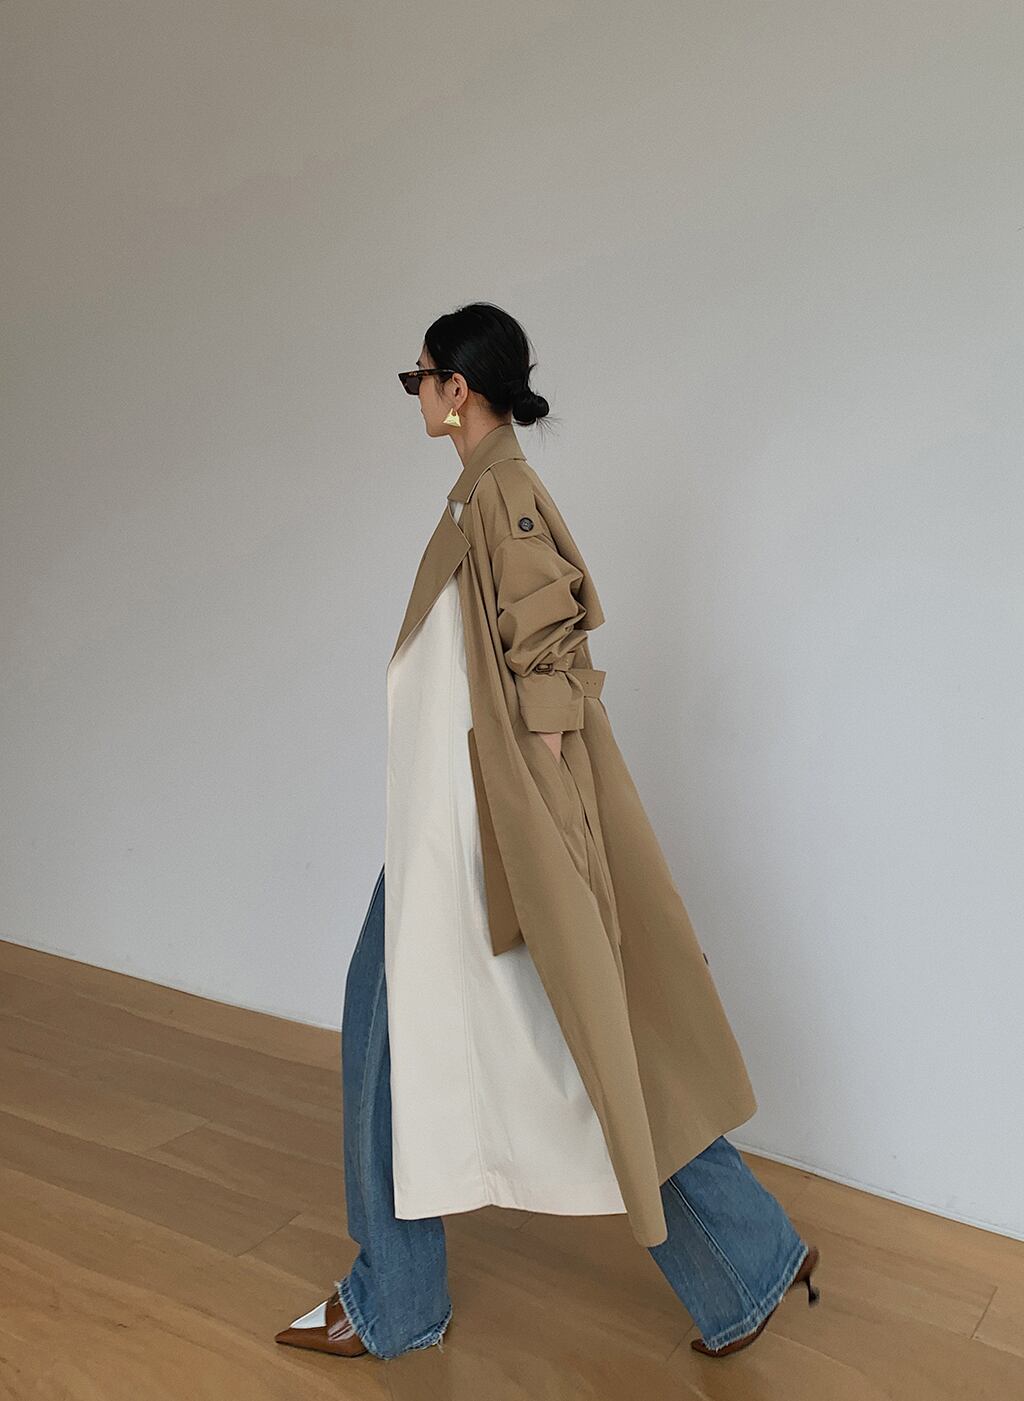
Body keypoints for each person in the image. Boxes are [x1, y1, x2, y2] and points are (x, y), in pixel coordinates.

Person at [274, 303, 820, 1363]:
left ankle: (398, 1300)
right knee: (573, 1047)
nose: (415, 395)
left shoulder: (503, 497)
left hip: (489, 834)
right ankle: (748, 1257)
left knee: (556, 1046)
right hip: (458, 826)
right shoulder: (482, 492)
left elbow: (550, 669)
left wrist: (548, 845)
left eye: (419, 378)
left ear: (458, 392)